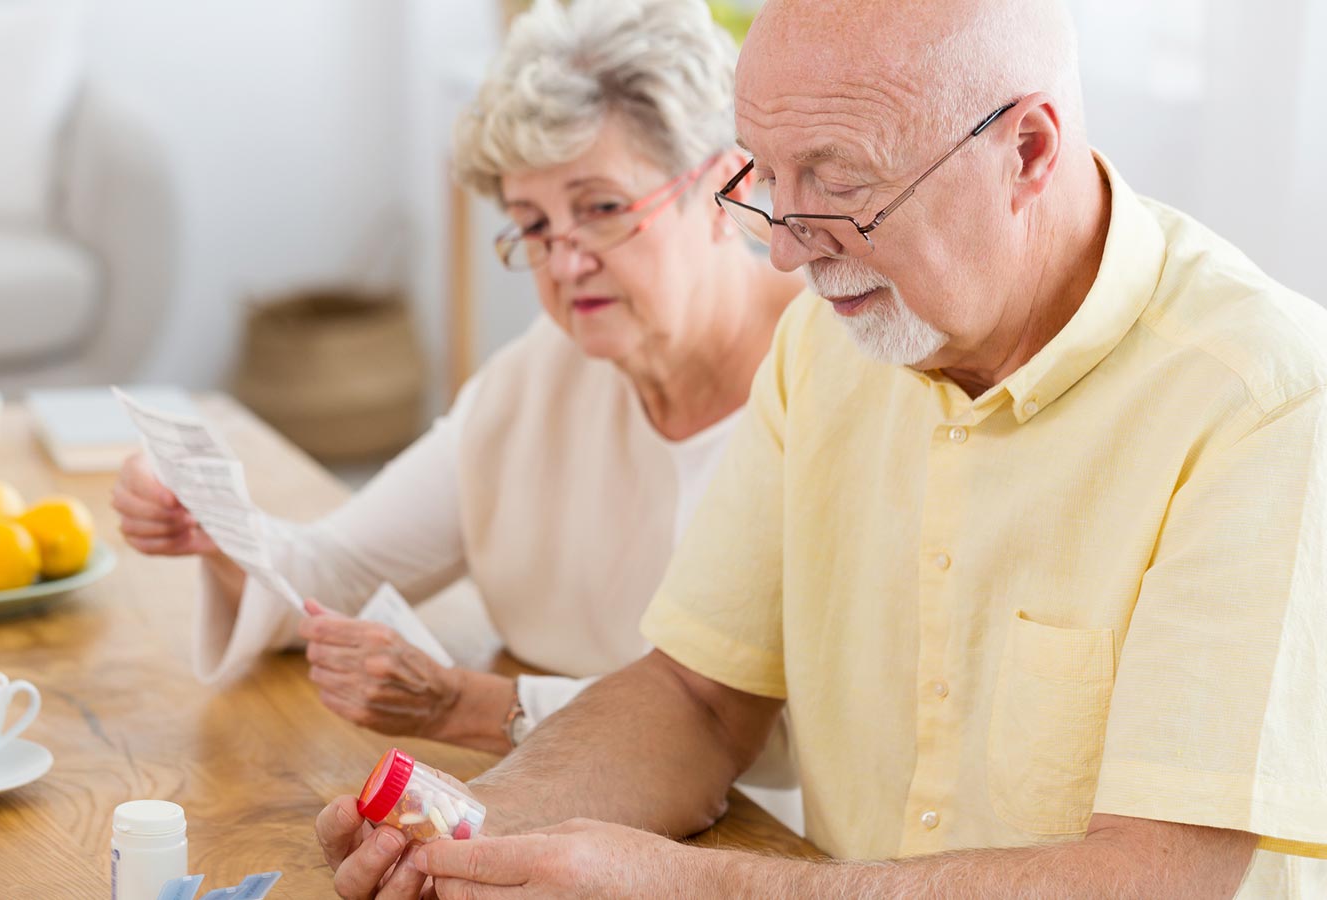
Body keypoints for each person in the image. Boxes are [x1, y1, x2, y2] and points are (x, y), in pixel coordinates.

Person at [313, 0, 1327, 896]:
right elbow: (696, 700)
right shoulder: (825, 341)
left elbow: (1162, 877)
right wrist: (476, 827)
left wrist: (698, 887)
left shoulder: (1264, 401)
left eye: (839, 184)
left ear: (1026, 151)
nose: (788, 247)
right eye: (768, 179)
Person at [112, 0, 802, 811]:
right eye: (532, 226)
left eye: (602, 208)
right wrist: (216, 528)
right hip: (559, 806)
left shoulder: (830, 377)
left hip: (763, 844)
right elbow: (337, 573)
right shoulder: (537, 382)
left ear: (728, 186)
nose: (566, 261)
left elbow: (772, 736)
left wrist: (471, 705)